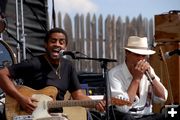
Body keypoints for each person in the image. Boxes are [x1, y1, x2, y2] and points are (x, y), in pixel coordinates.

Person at [0, 27, 105, 119]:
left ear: (65, 47)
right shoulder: (34, 63)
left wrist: (95, 104)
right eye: (53, 41)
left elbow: (78, 96)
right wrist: (21, 98)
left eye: (61, 42)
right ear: (45, 44)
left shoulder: (68, 66)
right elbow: (2, 74)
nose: (57, 44)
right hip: (29, 115)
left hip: (54, 115)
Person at [108, 36, 168, 120]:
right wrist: (136, 79)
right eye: (137, 55)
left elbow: (163, 97)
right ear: (127, 53)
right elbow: (123, 108)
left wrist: (152, 77)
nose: (141, 59)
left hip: (146, 116)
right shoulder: (114, 74)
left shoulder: (149, 70)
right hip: (126, 116)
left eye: (143, 56)